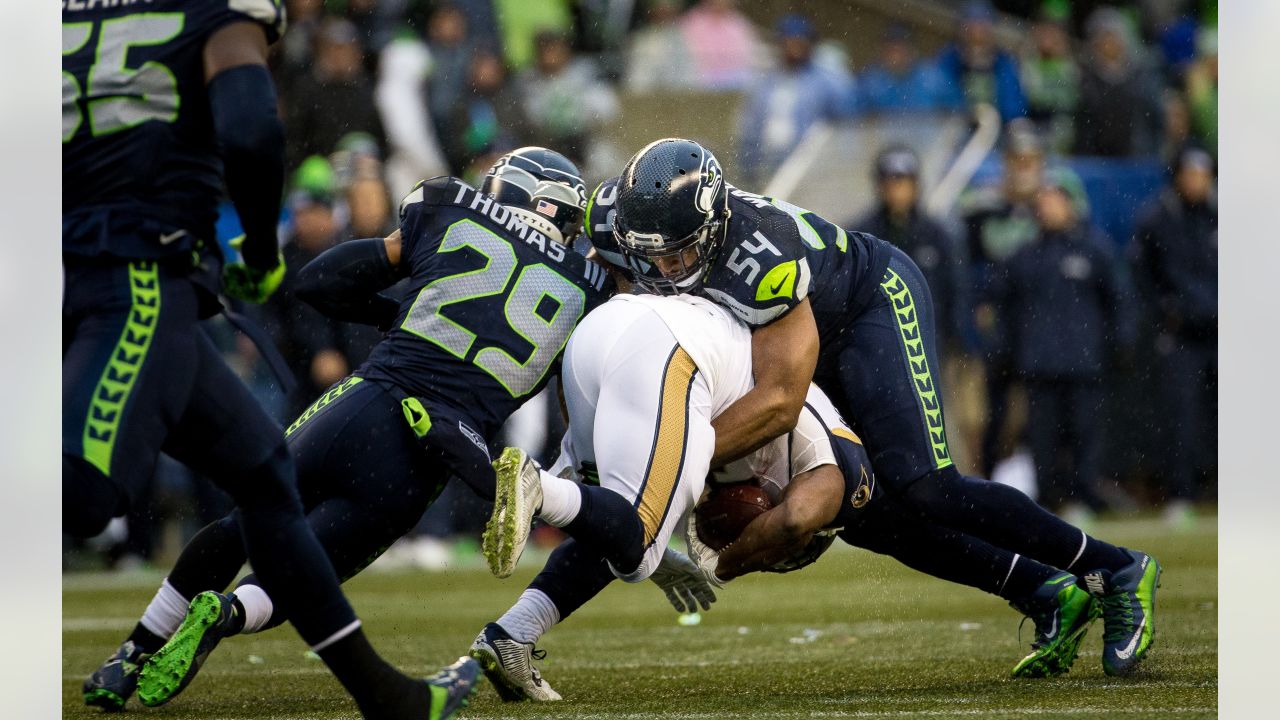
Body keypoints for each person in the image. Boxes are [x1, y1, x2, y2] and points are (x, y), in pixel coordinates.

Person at [548, 138, 1160, 679]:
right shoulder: (625, 220)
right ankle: (1042, 590)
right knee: (867, 512)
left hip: (866, 311)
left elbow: (782, 402)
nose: (664, 268)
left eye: (680, 254)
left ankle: (1116, 569)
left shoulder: (760, 254)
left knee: (925, 486)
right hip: (795, 342)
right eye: (651, 253)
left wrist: (679, 458)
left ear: (711, 225)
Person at [63, 1, 479, 717]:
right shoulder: (214, 13)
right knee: (86, 496)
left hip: (106, 269)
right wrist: (259, 250)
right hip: (132, 271)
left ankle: (387, 697)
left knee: (264, 476)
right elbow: (252, 130)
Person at [80, 147, 607, 710]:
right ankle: (229, 612)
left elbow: (317, 282)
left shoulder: (449, 209)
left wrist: (391, 313)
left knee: (248, 523)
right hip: (432, 452)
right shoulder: (589, 291)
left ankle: (130, 655)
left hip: (364, 403)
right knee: (308, 569)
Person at [472, 291, 1102, 702]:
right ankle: (540, 488)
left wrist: (673, 534)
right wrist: (725, 559)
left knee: (620, 518)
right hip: (668, 353)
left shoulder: (784, 451)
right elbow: (802, 512)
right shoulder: (825, 455)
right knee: (639, 537)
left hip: (606, 334)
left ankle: (511, 631)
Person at [989, 169, 1136, 519]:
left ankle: (1084, 497)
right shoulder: (1024, 255)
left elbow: (1119, 299)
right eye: (1043, 200)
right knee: (1041, 439)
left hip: (1084, 361)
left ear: (1071, 204)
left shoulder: (1095, 249)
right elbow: (1004, 306)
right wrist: (1004, 351)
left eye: (1055, 199)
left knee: (1086, 434)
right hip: (1038, 363)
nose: (1048, 207)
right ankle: (1048, 501)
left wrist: (1121, 342)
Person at [1130, 146, 1217, 526]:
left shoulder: (1223, 216)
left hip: (1223, 333)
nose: (1197, 181)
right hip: (1180, 333)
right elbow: (1141, 276)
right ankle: (1181, 493)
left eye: (1203, 174)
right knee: (1179, 417)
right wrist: (1167, 312)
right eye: (1191, 173)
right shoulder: (1157, 220)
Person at [736, 14, 854, 186]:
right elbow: (750, 127)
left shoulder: (826, 82)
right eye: (789, 42)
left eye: (800, 42)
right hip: (767, 163)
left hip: (807, 167)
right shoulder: (764, 82)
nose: (794, 48)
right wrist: (748, 164)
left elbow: (844, 121)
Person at [935, 1, 1027, 123]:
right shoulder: (948, 60)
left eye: (982, 26)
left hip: (997, 127)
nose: (977, 32)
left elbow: (1014, 105)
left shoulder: (1004, 63)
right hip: (955, 125)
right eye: (972, 26)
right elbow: (940, 98)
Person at [858, 24, 958, 115]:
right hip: (883, 133)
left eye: (900, 49)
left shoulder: (932, 78)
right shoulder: (871, 81)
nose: (895, 55)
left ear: (912, 51)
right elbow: (853, 116)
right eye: (891, 49)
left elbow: (957, 111)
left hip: (929, 132)